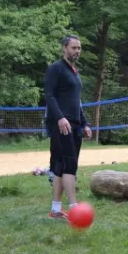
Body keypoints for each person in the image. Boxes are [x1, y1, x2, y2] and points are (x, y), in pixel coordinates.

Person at [45, 35, 92, 219]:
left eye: (79, 48)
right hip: (61, 125)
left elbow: (76, 103)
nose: (77, 51)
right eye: (74, 48)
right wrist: (60, 118)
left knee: (59, 165)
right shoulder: (55, 68)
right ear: (64, 48)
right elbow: (49, 96)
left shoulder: (74, 72)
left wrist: (85, 122)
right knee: (70, 164)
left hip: (74, 125)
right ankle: (74, 209)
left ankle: (56, 209)